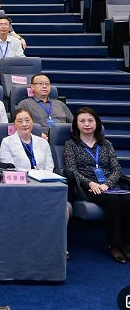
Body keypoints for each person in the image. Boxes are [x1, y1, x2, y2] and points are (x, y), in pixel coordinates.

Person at [63, 107, 130, 263]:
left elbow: (116, 168)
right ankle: (114, 245)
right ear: (76, 124)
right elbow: (72, 170)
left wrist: (107, 184)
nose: (87, 124)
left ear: (96, 123)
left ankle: (125, 244)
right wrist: (91, 183)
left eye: (90, 120)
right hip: (85, 186)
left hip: (108, 186)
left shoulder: (106, 144)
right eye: (82, 121)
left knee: (128, 199)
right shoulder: (71, 144)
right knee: (112, 201)